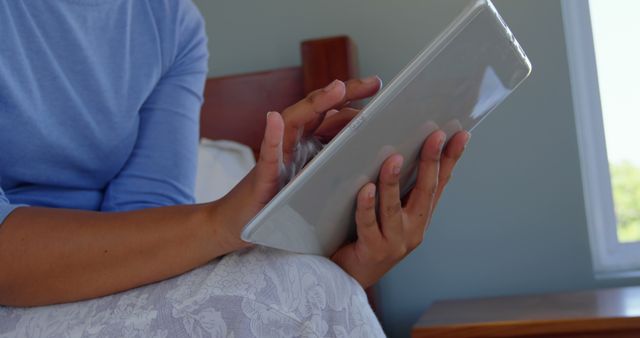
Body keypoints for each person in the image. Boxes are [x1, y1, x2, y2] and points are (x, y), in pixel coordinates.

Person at [0, 0, 469, 336]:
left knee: (306, 286)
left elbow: (144, 225)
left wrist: (324, 253)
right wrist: (221, 223)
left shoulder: (169, 22)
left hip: (88, 282)